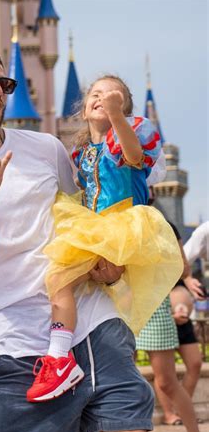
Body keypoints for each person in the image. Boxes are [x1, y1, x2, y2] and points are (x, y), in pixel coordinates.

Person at [0, 48, 158, 432]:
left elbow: (87, 219)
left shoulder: (45, 147)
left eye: (5, 83)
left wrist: (114, 267)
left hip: (93, 322)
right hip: (18, 345)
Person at [26, 75, 183, 401]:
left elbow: (134, 156)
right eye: (95, 94)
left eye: (112, 95)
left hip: (125, 223)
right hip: (96, 228)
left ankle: (58, 358)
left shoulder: (133, 129)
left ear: (125, 107)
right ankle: (63, 356)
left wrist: (116, 118)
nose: (102, 98)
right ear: (83, 110)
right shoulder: (81, 153)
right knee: (62, 280)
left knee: (59, 278)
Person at [135, 222, 200, 432]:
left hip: (153, 311)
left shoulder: (159, 224)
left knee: (167, 382)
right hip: (128, 311)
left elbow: (184, 268)